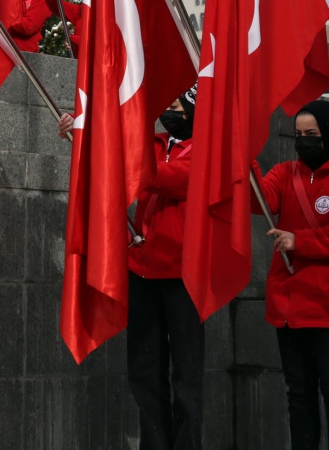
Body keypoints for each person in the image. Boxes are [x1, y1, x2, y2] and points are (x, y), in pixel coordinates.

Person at [253, 99, 329, 450]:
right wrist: (243, 165)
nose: (303, 141)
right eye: (299, 134)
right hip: (289, 304)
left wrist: (298, 240)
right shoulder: (283, 173)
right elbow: (259, 200)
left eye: (312, 134)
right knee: (299, 391)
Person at [126, 89, 204, 450]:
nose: (170, 112)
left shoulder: (205, 152)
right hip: (141, 270)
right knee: (144, 371)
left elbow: (169, 178)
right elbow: (114, 143)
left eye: (178, 107)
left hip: (183, 274)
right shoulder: (152, 144)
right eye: (167, 105)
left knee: (186, 374)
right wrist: (81, 133)